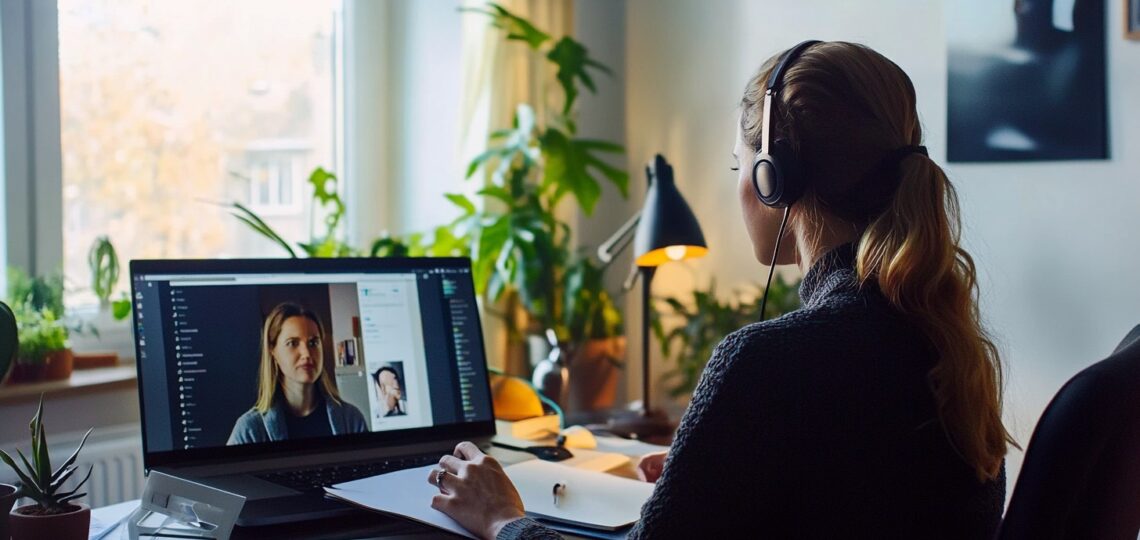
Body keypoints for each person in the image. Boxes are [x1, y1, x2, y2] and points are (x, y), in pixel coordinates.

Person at [423, 41, 1015, 538]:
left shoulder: (768, 362)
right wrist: (709, 479)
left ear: (773, 178)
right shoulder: (949, 344)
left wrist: (503, 519)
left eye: (741, 167)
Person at [228, 302, 367, 444]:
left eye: (313, 343)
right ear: (273, 351)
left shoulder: (351, 419)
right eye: (292, 343)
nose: (306, 353)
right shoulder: (250, 429)